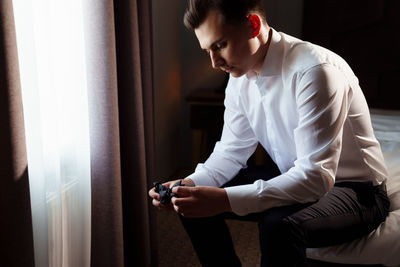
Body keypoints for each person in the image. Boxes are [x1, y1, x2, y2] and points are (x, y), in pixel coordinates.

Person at [148, 0, 391, 266]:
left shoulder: (315, 71)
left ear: (253, 25)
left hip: (355, 192)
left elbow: (315, 178)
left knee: (277, 226)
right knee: (190, 200)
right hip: (295, 173)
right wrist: (191, 184)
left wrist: (226, 200)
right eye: (208, 50)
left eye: (220, 46)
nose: (215, 62)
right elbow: (231, 151)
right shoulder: (239, 77)